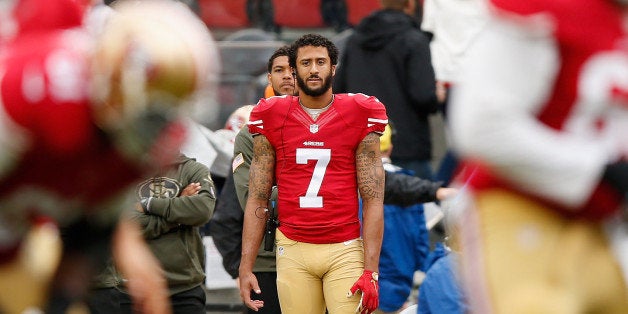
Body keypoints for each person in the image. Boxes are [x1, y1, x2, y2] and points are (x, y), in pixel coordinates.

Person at [0, 0, 219, 312]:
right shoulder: (33, 97)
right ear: (112, 83)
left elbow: (90, 232)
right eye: (155, 117)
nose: (164, 133)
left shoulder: (128, 135)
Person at [448, 0, 628, 313]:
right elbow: (482, 126)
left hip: (605, 221)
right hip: (519, 206)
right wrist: (596, 170)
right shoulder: (552, 10)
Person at [239, 33, 387, 314]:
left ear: (333, 67)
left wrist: (371, 271)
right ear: (295, 70)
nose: (314, 69)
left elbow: (373, 199)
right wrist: (246, 267)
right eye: (306, 63)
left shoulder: (360, 111)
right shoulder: (270, 114)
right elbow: (257, 199)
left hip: (344, 247)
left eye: (321, 62)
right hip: (293, 247)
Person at [211, 45, 296, 314]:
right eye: (279, 70)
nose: (288, 77)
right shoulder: (251, 133)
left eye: (293, 70)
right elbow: (238, 209)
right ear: (269, 78)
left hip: (322, 257)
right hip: (267, 263)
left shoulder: (332, 126)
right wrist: (241, 268)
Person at [88, 153, 216, 314]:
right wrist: (175, 215)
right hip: (132, 290)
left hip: (184, 289)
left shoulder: (193, 170)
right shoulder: (124, 172)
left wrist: (147, 204)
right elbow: (124, 224)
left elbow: (202, 210)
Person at [333, 0, 440, 180]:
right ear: (411, 5)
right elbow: (423, 96)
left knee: (369, 206)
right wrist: (436, 96)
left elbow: (339, 90)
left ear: (381, 4)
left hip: (362, 143)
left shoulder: (355, 40)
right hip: (407, 146)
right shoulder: (415, 40)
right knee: (425, 202)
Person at [370, 124, 456, 313]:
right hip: (401, 285)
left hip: (365, 284)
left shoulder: (350, 184)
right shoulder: (412, 187)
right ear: (390, 147)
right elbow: (421, 240)